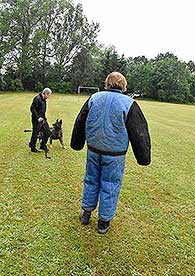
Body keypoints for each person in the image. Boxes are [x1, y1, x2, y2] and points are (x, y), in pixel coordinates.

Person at [70, 72, 151, 234]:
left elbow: (80, 121)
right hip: (115, 155)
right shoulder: (129, 103)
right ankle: (103, 222)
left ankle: (86, 213)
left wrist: (77, 143)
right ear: (123, 86)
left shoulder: (94, 98)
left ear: (107, 83)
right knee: (110, 184)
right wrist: (144, 157)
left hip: (93, 150)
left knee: (91, 180)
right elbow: (140, 132)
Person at [29, 88, 52, 152]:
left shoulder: (44, 99)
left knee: (48, 132)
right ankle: (32, 147)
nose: (48, 97)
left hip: (43, 119)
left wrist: (44, 118)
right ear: (45, 93)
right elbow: (32, 109)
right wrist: (38, 117)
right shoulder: (37, 99)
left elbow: (42, 111)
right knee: (35, 133)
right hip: (36, 120)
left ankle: (43, 145)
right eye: (48, 95)